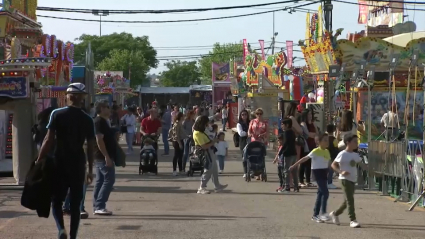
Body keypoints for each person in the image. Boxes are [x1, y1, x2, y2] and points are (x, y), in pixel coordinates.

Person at [35, 83, 95, 239]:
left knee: (57, 200)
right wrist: (90, 170)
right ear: (82, 98)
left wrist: (40, 159)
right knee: (75, 204)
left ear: (68, 97)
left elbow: (48, 140)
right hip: (78, 164)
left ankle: (61, 229)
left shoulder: (57, 114)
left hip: (59, 161)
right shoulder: (87, 119)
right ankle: (73, 236)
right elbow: (90, 146)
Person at [290, 133, 331, 222]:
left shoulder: (327, 151)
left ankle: (315, 215)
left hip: (324, 173)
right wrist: (294, 165)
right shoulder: (316, 151)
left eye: (327, 140)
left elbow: (328, 163)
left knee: (320, 194)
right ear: (318, 142)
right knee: (325, 192)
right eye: (325, 140)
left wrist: (331, 172)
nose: (327, 142)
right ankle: (323, 213)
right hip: (317, 173)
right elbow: (305, 158)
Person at [329, 134, 367, 228]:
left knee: (347, 201)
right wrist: (340, 171)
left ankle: (335, 213)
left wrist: (371, 169)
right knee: (350, 200)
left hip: (352, 180)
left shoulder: (355, 154)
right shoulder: (342, 154)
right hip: (344, 179)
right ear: (348, 143)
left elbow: (362, 165)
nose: (356, 143)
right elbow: (333, 165)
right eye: (354, 141)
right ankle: (352, 220)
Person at [92, 101, 117, 216]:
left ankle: (97, 205)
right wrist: (106, 156)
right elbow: (99, 140)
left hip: (102, 156)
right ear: (102, 108)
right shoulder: (98, 122)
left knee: (100, 181)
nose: (110, 109)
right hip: (102, 156)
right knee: (109, 180)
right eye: (108, 107)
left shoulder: (103, 121)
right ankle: (100, 205)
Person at [193, 116, 227, 194]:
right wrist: (213, 141)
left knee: (214, 168)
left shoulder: (202, 131)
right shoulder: (197, 133)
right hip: (205, 152)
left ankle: (217, 185)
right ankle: (202, 187)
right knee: (209, 169)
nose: (208, 124)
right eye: (206, 123)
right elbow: (204, 146)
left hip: (210, 150)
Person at [276, 119, 298, 193]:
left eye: (283, 124)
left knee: (286, 170)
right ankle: (296, 187)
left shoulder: (285, 133)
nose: (281, 126)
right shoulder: (292, 132)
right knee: (294, 170)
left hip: (288, 154)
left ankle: (287, 187)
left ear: (287, 125)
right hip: (294, 153)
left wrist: (280, 152)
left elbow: (285, 144)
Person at [299, 110, 319, 187]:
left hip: (312, 144)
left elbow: (316, 133)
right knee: (303, 163)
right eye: (308, 114)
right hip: (305, 145)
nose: (310, 116)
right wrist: (313, 135)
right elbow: (307, 134)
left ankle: (308, 180)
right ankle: (301, 181)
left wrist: (313, 135)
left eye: (311, 114)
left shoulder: (313, 123)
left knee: (309, 163)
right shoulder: (303, 123)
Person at [237, 109, 251, 178]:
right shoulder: (239, 124)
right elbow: (241, 133)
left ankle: (251, 171)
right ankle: (245, 172)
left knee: (251, 156)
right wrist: (248, 134)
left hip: (251, 140)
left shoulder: (250, 122)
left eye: (245, 114)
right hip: (243, 141)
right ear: (240, 116)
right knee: (244, 157)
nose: (244, 116)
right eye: (242, 114)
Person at [326, 124, 339, 189]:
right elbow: (336, 149)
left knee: (325, 170)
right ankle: (329, 183)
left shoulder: (324, 138)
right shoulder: (334, 140)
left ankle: (325, 182)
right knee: (330, 170)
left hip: (324, 156)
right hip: (331, 157)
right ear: (333, 130)